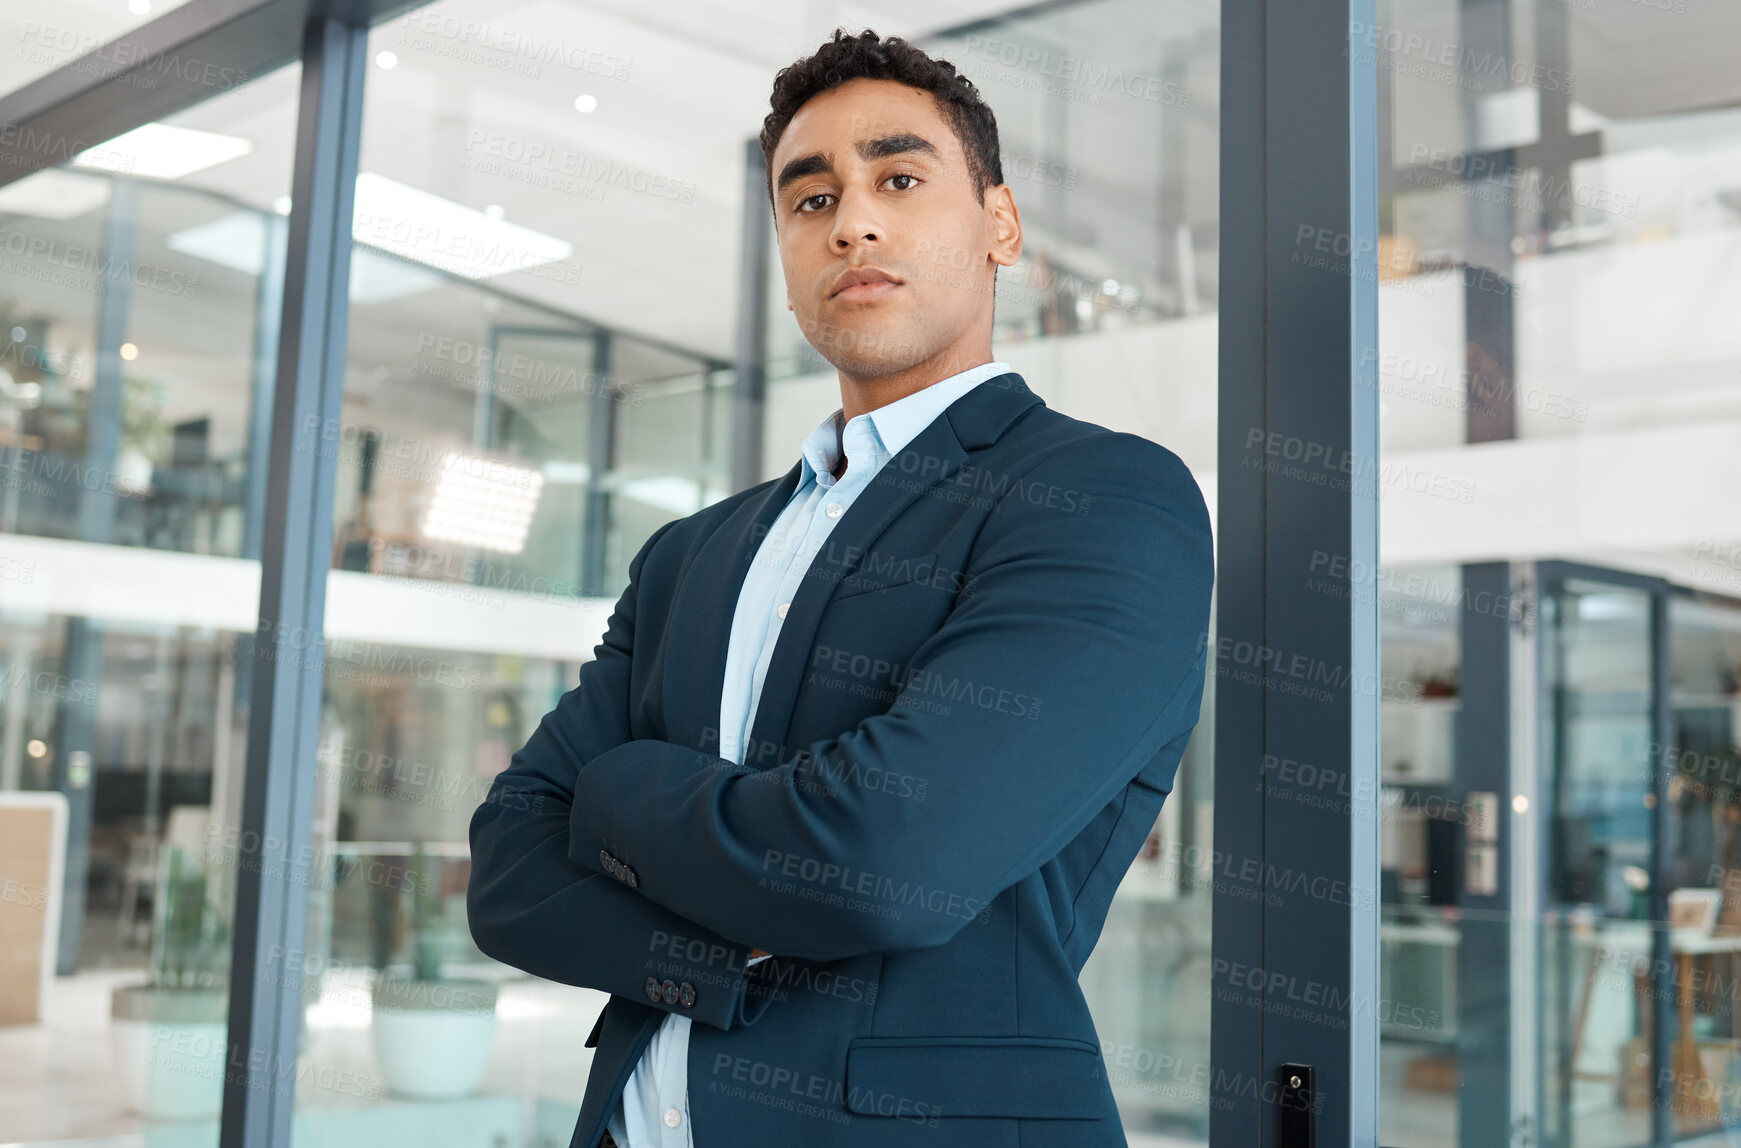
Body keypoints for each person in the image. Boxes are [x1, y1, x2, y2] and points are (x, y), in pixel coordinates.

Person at [466, 27, 1214, 1148]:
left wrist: (616, 791)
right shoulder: (689, 552)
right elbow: (510, 869)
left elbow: (885, 861)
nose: (851, 220)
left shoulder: (1102, 498)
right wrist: (733, 946)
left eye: (899, 179)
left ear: (999, 224)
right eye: (809, 201)